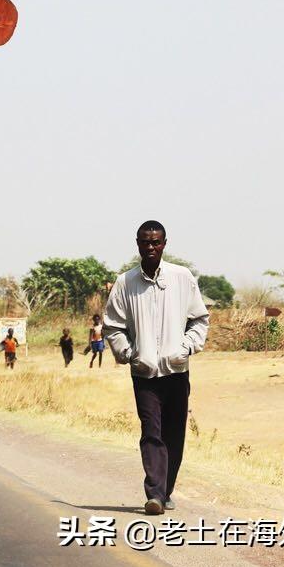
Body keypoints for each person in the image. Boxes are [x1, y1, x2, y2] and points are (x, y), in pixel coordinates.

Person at [103, 220, 209, 516]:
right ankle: (154, 494)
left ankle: (166, 490)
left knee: (174, 434)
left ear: (164, 244)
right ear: (137, 243)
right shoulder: (126, 282)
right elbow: (112, 326)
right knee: (152, 431)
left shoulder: (182, 277)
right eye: (145, 242)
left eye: (156, 242)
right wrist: (129, 353)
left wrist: (186, 347)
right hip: (145, 373)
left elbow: (199, 319)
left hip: (177, 370)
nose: (151, 247)